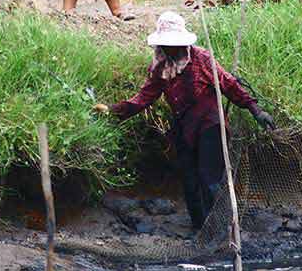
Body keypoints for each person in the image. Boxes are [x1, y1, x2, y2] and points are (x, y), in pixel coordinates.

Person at [93, 12, 275, 230]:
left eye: (174, 44)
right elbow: (144, 98)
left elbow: (229, 86)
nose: (170, 49)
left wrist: (256, 111)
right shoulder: (160, 67)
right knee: (190, 182)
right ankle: (200, 228)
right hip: (184, 130)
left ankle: (218, 228)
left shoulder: (201, 59)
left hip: (210, 126)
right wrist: (112, 111)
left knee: (210, 180)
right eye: (166, 44)